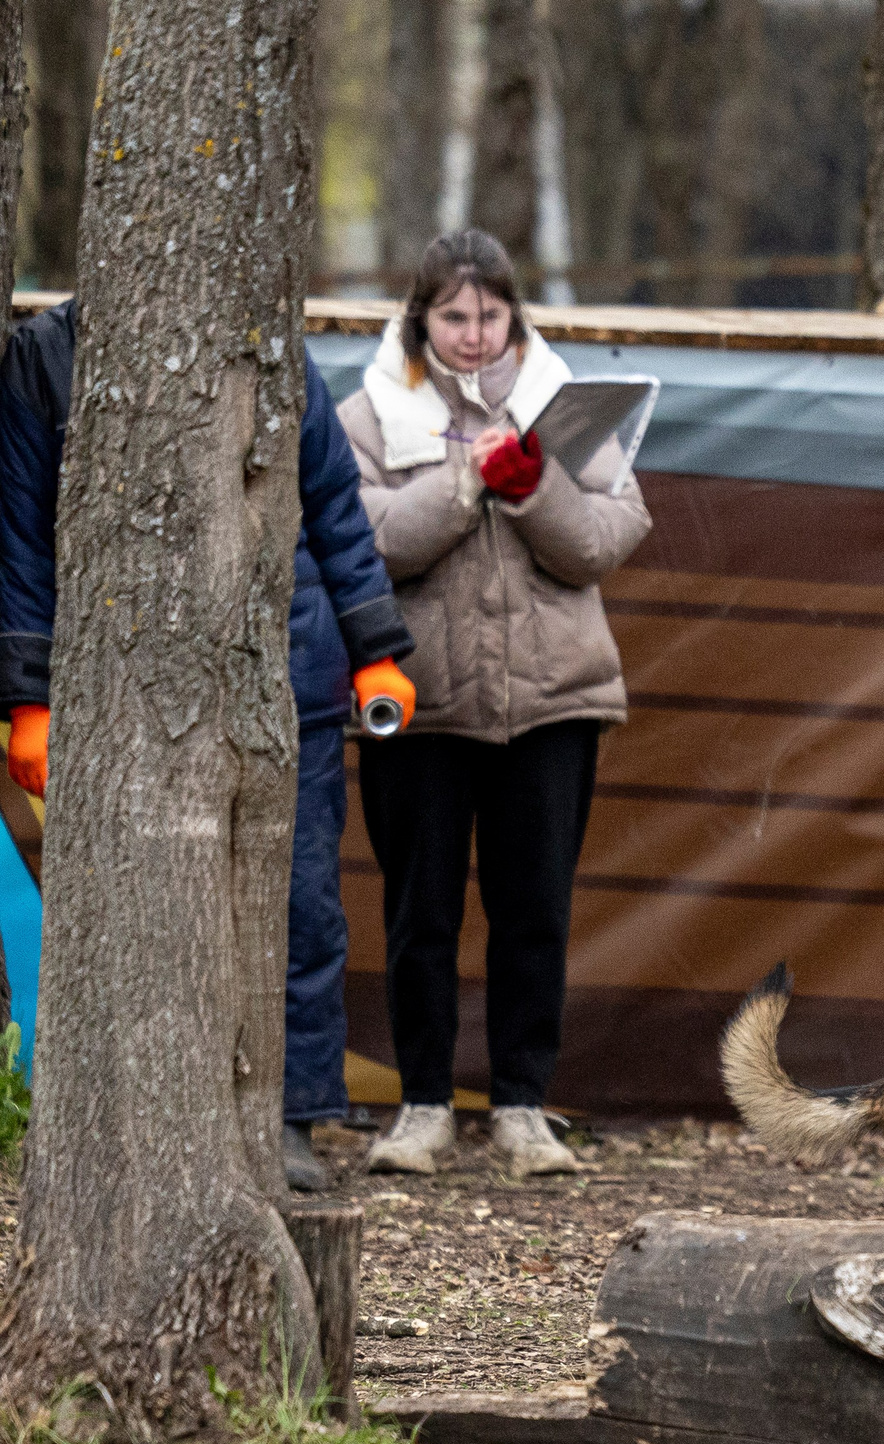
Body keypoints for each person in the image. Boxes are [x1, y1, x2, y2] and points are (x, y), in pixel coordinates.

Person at [0, 299, 418, 1194]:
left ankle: (291, 1117)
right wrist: (29, 697)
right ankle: (122, 1119)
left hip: (285, 670)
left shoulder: (269, 342)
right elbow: (24, 540)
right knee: (131, 910)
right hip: (123, 691)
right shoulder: (48, 357)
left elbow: (335, 504)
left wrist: (376, 648)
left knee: (299, 906)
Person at [336, 229, 651, 1179]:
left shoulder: (569, 404)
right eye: (452, 315)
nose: (473, 334)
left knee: (535, 911)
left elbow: (605, 535)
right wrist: (467, 477)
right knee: (418, 913)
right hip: (420, 701)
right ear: (420, 322)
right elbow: (371, 539)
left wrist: (535, 486)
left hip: (554, 701)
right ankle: (422, 1107)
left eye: (489, 313)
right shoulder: (369, 413)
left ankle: (522, 1108)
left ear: (515, 314)